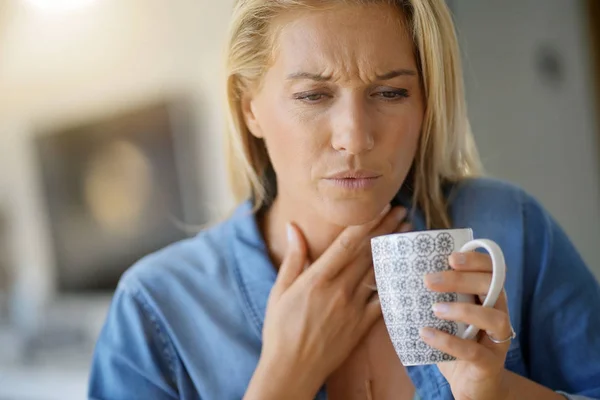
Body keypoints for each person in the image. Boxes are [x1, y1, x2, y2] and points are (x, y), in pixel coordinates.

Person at [88, 0, 600, 399]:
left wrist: (501, 393)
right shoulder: (156, 310)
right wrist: (281, 382)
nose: (354, 137)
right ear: (250, 111)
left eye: (390, 93)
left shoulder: (512, 230)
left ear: (426, 100)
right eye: (313, 96)